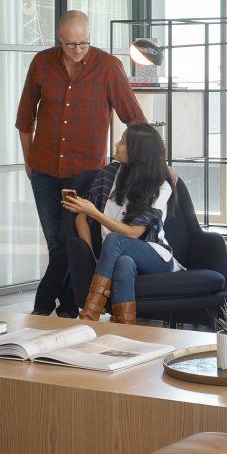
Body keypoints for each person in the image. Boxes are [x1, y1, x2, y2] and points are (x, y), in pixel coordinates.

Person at [15, 10, 146, 316]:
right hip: (44, 168)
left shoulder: (108, 67)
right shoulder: (41, 63)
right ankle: (68, 310)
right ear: (59, 39)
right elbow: (24, 119)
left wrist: (157, 162)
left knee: (68, 241)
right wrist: (28, 161)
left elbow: (135, 120)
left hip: (86, 173)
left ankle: (43, 307)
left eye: (83, 43)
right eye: (71, 44)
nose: (77, 50)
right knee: (56, 242)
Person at [65, 123, 179, 326]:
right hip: (122, 255)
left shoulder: (161, 187)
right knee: (123, 263)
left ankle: (90, 314)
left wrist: (94, 212)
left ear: (137, 151)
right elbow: (81, 217)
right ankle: (127, 329)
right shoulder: (108, 175)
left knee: (116, 239)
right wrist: (92, 255)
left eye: (123, 142)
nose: (117, 145)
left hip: (155, 257)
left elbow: (133, 233)